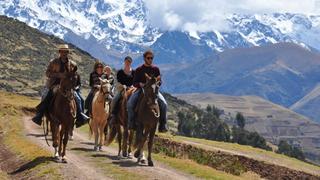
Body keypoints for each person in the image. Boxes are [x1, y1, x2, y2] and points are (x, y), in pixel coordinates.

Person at [32, 44, 90, 126]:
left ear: (68, 53)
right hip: (55, 84)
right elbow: (48, 73)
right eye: (62, 51)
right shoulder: (53, 62)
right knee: (46, 96)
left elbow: (76, 75)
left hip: (68, 86)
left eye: (65, 52)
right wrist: (60, 75)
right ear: (59, 52)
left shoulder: (73, 64)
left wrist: (74, 83)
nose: (64, 53)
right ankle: (39, 115)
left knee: (79, 99)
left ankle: (80, 117)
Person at [127, 50, 168, 132]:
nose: (150, 60)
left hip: (153, 91)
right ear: (144, 58)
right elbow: (134, 83)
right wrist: (140, 84)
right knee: (130, 103)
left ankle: (162, 125)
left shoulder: (156, 69)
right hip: (141, 90)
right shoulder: (139, 69)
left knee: (164, 104)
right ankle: (131, 122)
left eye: (151, 58)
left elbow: (160, 82)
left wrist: (158, 83)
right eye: (148, 58)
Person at [110, 56, 135, 121]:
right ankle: (113, 114)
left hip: (131, 89)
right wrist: (123, 85)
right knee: (115, 99)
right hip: (122, 89)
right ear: (124, 62)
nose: (128, 63)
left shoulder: (134, 72)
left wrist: (132, 86)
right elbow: (118, 81)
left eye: (129, 61)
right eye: (126, 61)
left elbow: (135, 81)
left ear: (131, 62)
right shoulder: (120, 72)